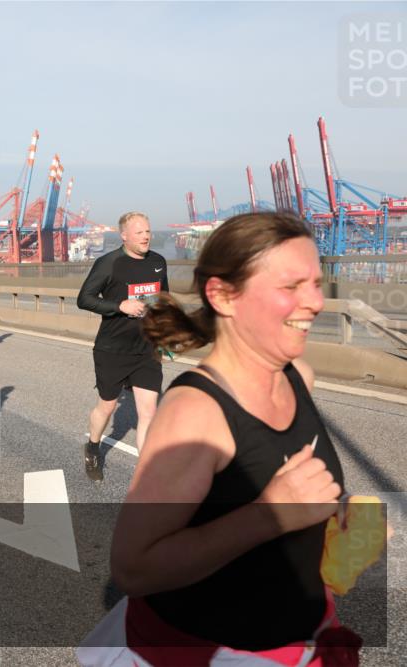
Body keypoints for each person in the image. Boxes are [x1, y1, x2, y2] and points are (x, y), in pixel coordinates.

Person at [88, 212, 356, 666]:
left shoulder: (298, 377)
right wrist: (269, 514)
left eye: (316, 283)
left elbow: (282, 477)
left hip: (303, 638)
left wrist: (333, 508)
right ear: (223, 295)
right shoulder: (196, 411)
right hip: (214, 653)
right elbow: (134, 568)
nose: (315, 302)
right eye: (291, 286)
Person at [76, 212, 168, 481]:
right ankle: (93, 447)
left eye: (148, 231)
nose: (146, 237)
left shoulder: (158, 262)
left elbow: (164, 300)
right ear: (124, 236)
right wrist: (119, 306)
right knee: (107, 406)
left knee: (148, 411)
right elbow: (84, 299)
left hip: (147, 348)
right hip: (113, 349)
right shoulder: (109, 263)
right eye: (139, 232)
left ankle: (147, 475)